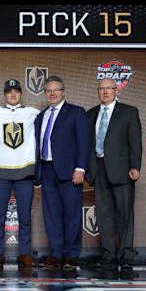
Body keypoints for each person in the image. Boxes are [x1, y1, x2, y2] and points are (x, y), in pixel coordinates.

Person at [34, 76, 90, 270]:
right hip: (47, 170)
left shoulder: (76, 112)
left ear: (63, 91)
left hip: (70, 171)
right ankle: (56, 254)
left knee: (72, 214)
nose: (52, 93)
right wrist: (38, 173)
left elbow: (84, 142)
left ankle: (71, 255)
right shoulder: (41, 116)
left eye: (55, 90)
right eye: (48, 90)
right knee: (52, 215)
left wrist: (80, 168)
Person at [86, 78, 142, 270]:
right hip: (98, 169)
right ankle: (109, 253)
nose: (105, 92)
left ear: (116, 90)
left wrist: (135, 166)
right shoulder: (91, 114)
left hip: (122, 170)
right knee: (104, 214)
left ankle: (126, 254)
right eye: (101, 88)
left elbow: (135, 142)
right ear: (97, 91)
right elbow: (88, 145)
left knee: (125, 213)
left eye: (109, 88)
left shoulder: (129, 112)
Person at [0, 79, 39, 269]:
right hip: (1, 171)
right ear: (4, 94)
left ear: (21, 93)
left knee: (25, 217)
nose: (12, 94)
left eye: (16, 91)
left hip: (24, 171)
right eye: (9, 91)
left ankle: (24, 253)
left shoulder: (33, 113)